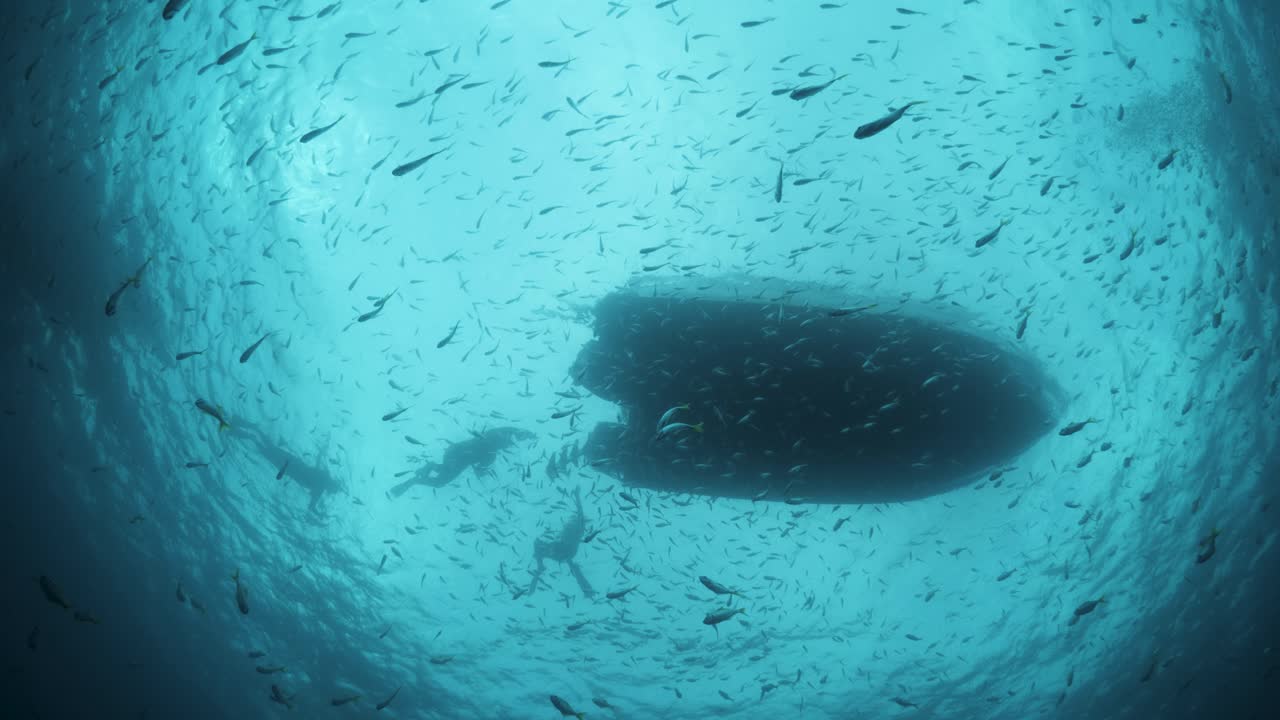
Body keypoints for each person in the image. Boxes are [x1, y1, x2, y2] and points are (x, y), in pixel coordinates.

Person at [386, 426, 533, 498]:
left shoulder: (492, 434)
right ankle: (413, 481)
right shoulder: (492, 452)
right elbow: (481, 471)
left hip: (454, 450)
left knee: (443, 473)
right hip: (458, 457)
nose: (509, 446)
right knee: (439, 482)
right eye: (508, 444)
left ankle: (430, 467)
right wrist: (483, 472)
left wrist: (523, 433)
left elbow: (507, 431)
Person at [527, 486, 594, 598]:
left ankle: (543, 567)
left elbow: (580, 511)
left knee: (544, 546)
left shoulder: (580, 526)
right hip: (561, 551)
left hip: (567, 550)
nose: (569, 521)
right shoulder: (570, 526)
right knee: (538, 543)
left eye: (573, 519)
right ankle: (541, 567)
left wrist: (577, 496)